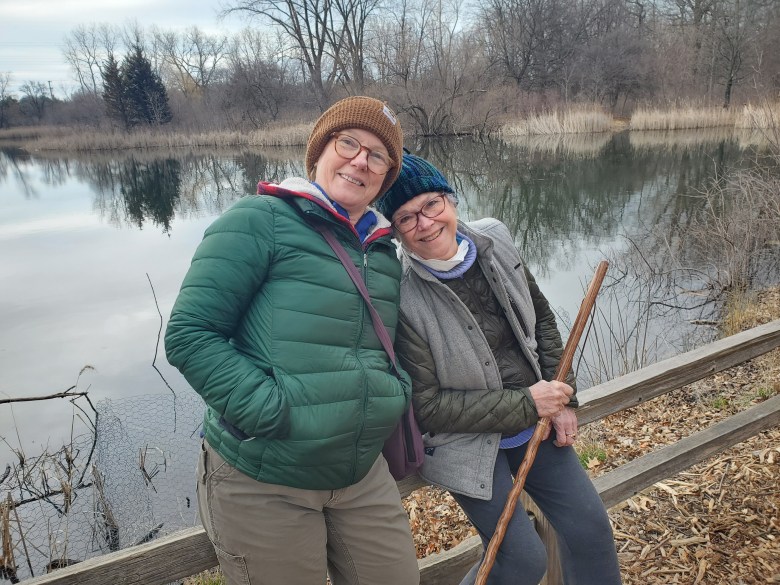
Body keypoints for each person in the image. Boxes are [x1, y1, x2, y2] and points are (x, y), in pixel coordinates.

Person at [165, 96, 419, 585]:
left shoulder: (383, 251)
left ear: (385, 177)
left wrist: (393, 392)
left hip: (360, 474)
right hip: (266, 476)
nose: (360, 160)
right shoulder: (259, 219)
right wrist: (270, 411)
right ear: (320, 150)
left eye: (377, 155)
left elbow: (379, 349)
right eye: (349, 142)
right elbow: (190, 334)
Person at [375, 154, 622, 585]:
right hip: (466, 445)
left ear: (451, 200)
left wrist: (563, 398)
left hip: (537, 422)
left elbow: (541, 320)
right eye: (406, 218)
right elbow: (428, 407)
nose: (426, 223)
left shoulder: (496, 240)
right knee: (523, 560)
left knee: (590, 532)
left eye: (432, 204)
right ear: (396, 233)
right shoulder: (404, 298)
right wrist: (530, 402)